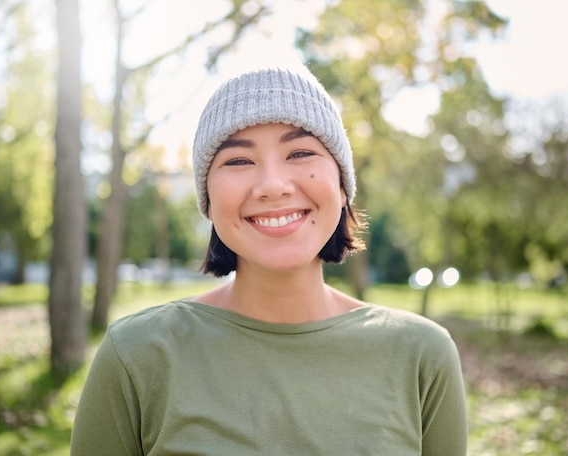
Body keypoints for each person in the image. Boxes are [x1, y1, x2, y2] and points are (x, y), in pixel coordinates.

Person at [70, 63, 467, 455]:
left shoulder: (423, 357)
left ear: (342, 186)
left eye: (300, 153)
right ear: (208, 199)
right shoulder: (136, 356)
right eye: (239, 161)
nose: (273, 186)